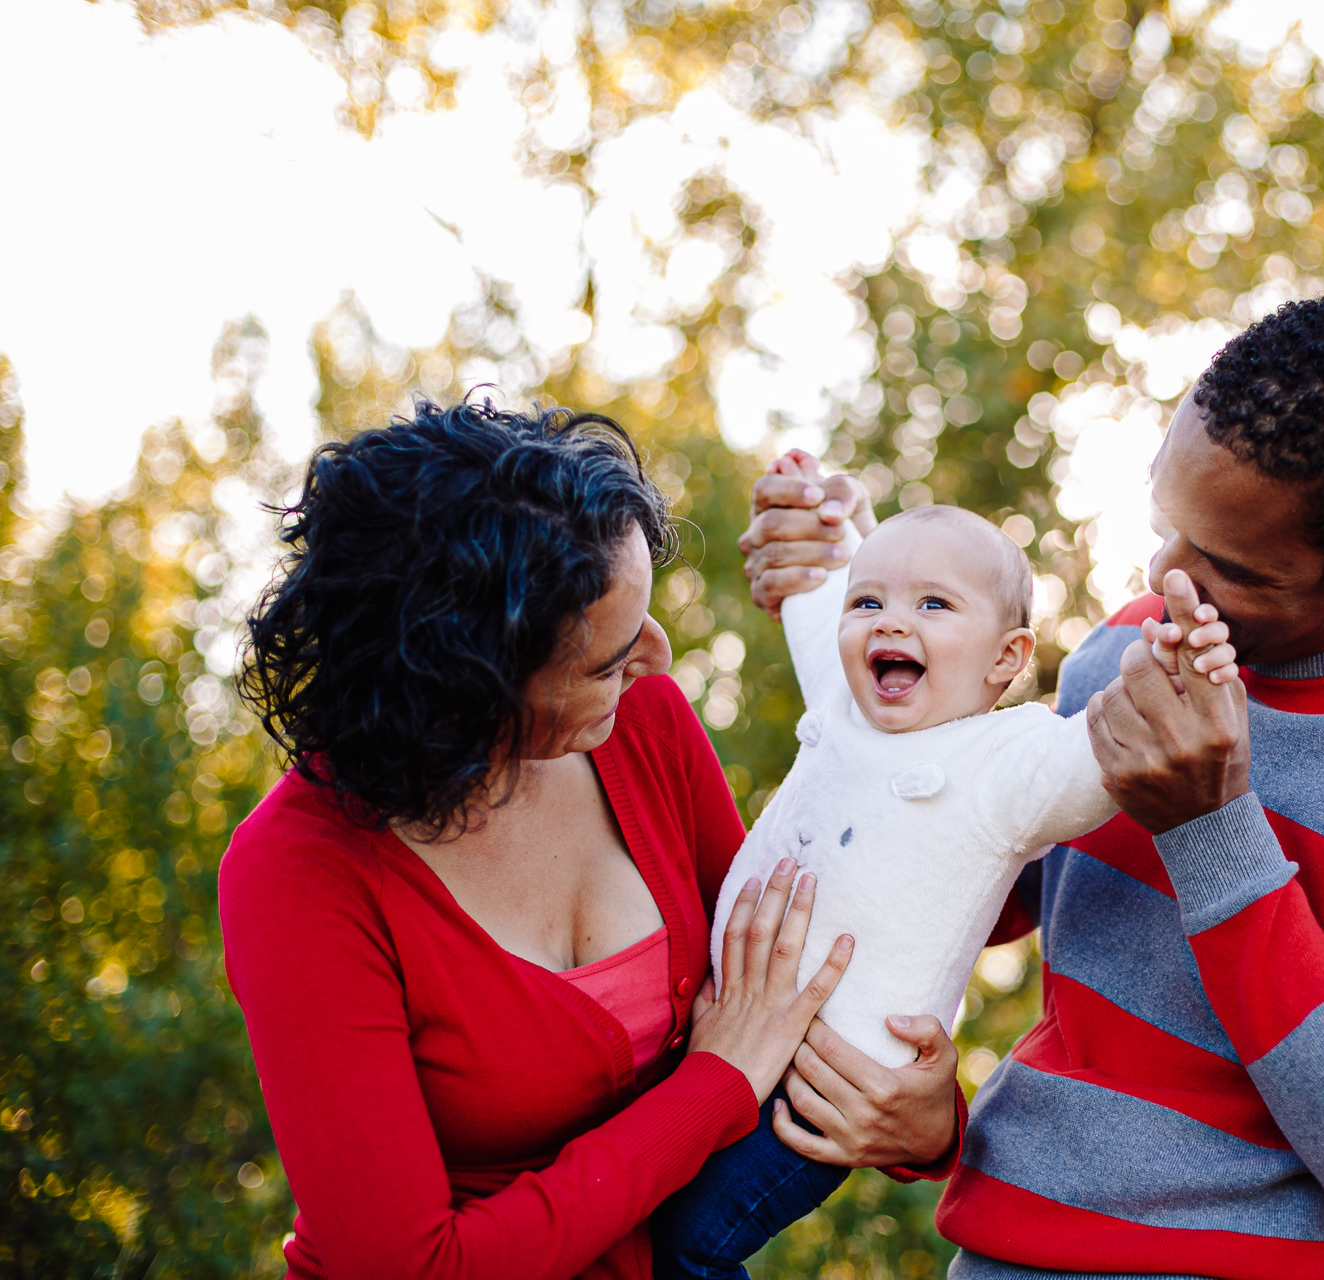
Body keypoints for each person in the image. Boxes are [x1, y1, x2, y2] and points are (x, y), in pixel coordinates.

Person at [740, 294, 1324, 1280]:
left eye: (1228, 566)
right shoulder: (1132, 640)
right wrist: (863, 591)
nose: (1164, 576)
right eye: (1165, 523)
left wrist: (1213, 829)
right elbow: (951, 882)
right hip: (996, 1253)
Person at [220, 400, 961, 1280]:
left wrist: (928, 1123)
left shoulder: (644, 726)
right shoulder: (299, 872)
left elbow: (796, 989)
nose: (655, 655)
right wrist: (712, 1087)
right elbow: (412, 1267)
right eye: (606, 657)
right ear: (476, 687)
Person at [655, 479, 1237, 1280]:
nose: (891, 620)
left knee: (683, 1243)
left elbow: (1111, 748)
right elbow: (817, 586)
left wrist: (1176, 671)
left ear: (1006, 658)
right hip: (719, 1032)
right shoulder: (843, 698)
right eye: (871, 605)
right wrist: (810, 501)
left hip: (827, 1089)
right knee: (631, 1212)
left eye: (934, 606)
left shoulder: (1008, 765)